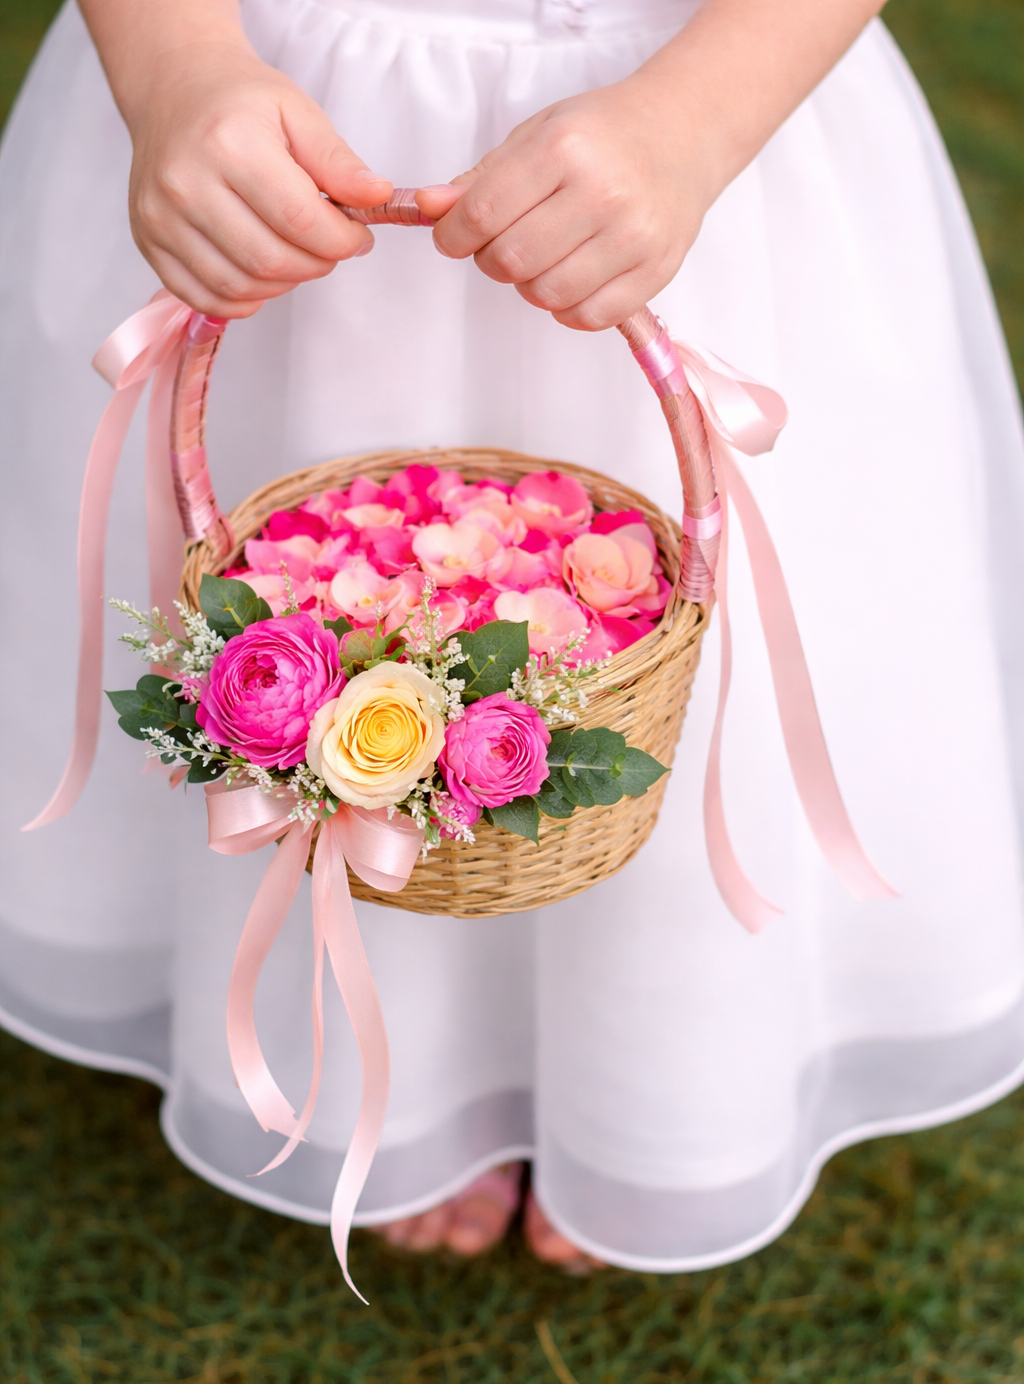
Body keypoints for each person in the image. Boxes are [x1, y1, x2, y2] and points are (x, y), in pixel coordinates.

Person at [2, 0, 1023, 1276]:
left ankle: (647, 1082)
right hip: (256, 93)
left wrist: (696, 116)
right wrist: (175, 67)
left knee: (693, 688)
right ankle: (421, 1077)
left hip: (702, 96)